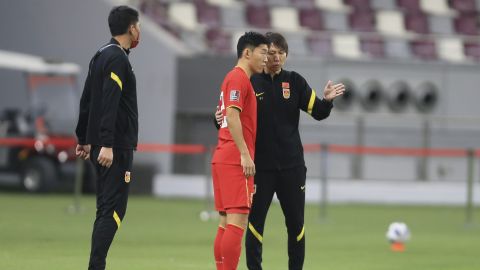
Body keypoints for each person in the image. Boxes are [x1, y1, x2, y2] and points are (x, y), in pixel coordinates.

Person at [215, 32, 345, 270]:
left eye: (280, 53)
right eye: (270, 53)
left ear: (286, 55)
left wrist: (326, 101)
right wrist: (218, 120)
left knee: (296, 225)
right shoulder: (249, 81)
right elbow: (228, 118)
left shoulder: (294, 82)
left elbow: (318, 112)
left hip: (292, 168)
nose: (274, 58)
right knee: (254, 226)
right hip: (258, 168)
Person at [75, 5, 140, 270]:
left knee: (104, 208)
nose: (139, 32)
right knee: (114, 209)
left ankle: (96, 264)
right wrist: (108, 144)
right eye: (138, 26)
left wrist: (83, 138)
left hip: (99, 144)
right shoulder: (117, 59)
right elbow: (110, 101)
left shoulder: (100, 54)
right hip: (113, 147)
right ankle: (96, 265)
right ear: (131, 28)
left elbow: (87, 99)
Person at [211, 31, 269, 270]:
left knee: (225, 223)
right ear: (247, 52)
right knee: (238, 221)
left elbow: (225, 114)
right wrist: (245, 153)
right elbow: (232, 116)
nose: (266, 58)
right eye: (263, 52)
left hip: (223, 156)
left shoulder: (234, 79)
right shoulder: (238, 79)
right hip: (235, 159)